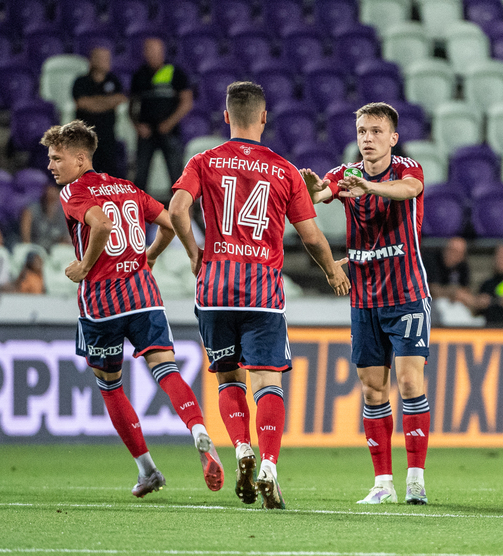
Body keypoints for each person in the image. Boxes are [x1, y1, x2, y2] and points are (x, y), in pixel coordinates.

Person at [170, 82, 350, 510]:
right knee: (267, 382)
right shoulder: (284, 169)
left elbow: (176, 209)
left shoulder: (204, 161)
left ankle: (242, 449)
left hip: (214, 288)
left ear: (226, 117)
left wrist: (195, 253)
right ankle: (268, 464)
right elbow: (311, 235)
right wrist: (331, 270)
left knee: (228, 378)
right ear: (264, 118)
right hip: (261, 291)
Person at [42, 120, 224, 497]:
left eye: (57, 158)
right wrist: (150, 256)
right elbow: (170, 222)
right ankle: (198, 429)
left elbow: (102, 225)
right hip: (144, 295)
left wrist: (85, 266)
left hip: (102, 303)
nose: (51, 166)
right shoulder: (127, 187)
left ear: (80, 159)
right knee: (167, 370)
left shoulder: (74, 191)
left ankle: (148, 470)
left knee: (110, 387)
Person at [301, 102, 434, 506]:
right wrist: (311, 189)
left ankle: (415, 479)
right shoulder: (345, 173)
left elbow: (408, 191)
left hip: (408, 295)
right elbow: (321, 195)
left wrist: (369, 188)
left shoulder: (408, 169)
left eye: (376, 131)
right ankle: (383, 483)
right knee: (373, 390)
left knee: (409, 383)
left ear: (393, 138)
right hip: (365, 300)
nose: (368, 138)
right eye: (362, 131)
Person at [130, 36, 193, 196]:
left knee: (177, 178)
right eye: (148, 50)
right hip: (146, 134)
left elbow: (187, 102)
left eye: (155, 50)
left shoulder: (174, 72)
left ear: (162, 52)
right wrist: (137, 125)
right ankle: (137, 210)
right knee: (140, 178)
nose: (152, 54)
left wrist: (169, 123)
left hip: (169, 133)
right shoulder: (139, 75)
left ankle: (182, 211)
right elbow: (132, 105)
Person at [72, 47, 127, 176]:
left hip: (108, 136)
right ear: (93, 60)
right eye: (103, 59)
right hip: (86, 138)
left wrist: (94, 103)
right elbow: (82, 103)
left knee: (109, 175)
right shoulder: (81, 82)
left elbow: (120, 99)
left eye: (108, 58)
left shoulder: (114, 80)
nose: (107, 62)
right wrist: (108, 103)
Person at [425, 236, 475, 307]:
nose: (451, 254)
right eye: (449, 250)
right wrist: (454, 292)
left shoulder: (463, 266)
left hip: (455, 302)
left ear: (462, 256)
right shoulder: (432, 260)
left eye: (456, 252)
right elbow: (432, 290)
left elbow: (466, 289)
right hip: (431, 302)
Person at [19, 185, 69, 251]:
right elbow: (25, 240)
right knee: (23, 249)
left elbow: (66, 239)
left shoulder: (64, 213)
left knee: (66, 251)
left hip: (54, 250)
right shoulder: (32, 210)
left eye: (53, 198)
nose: (50, 201)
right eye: (48, 198)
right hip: (35, 248)